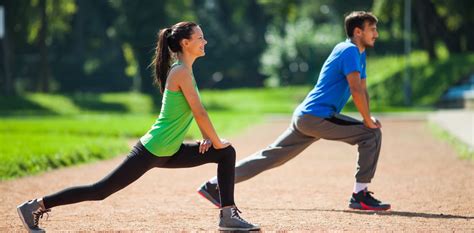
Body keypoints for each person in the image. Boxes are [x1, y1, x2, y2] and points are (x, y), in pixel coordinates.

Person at [17, 22, 259, 232]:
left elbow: (190, 114)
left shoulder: (185, 71)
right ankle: (36, 206)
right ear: (185, 43)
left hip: (169, 150)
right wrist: (215, 140)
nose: (205, 41)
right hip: (153, 149)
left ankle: (227, 215)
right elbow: (199, 112)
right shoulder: (181, 72)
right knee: (100, 191)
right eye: (200, 38)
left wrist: (209, 138)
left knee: (226, 154)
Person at [197, 11, 391, 211]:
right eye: (372, 29)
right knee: (371, 134)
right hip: (318, 117)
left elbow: (363, 89)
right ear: (358, 32)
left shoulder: (359, 54)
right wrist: (367, 121)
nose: (376, 34)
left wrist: (367, 116)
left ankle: (213, 185)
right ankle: (360, 194)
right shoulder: (348, 50)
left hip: (307, 116)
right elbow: (355, 89)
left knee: (270, 156)